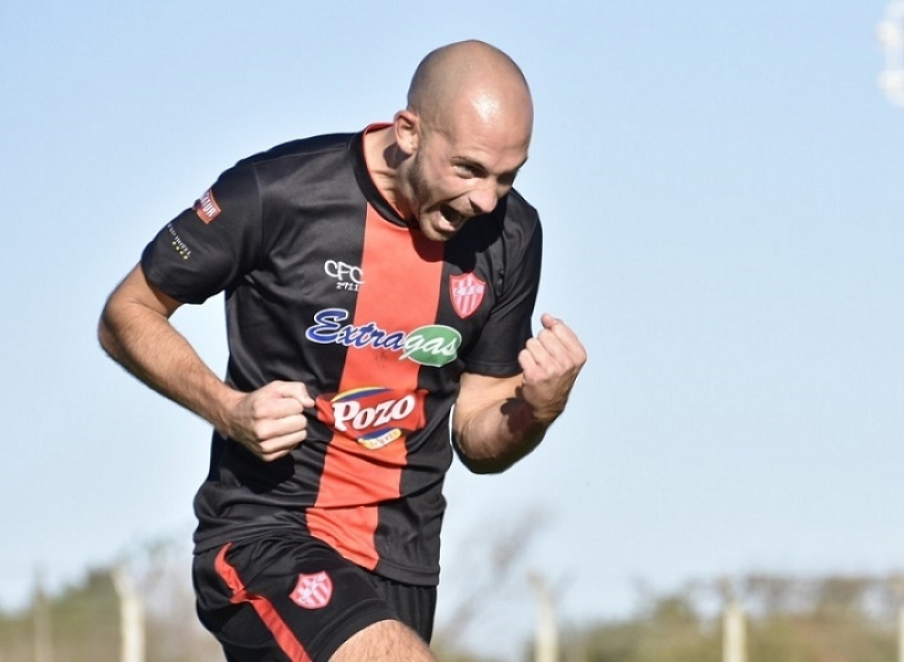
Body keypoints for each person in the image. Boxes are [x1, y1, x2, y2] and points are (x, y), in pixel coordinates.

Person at [98, 39, 586, 662]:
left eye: (507, 176)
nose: (486, 200)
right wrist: (228, 409)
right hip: (268, 534)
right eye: (467, 169)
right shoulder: (274, 192)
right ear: (408, 130)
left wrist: (536, 410)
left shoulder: (512, 233)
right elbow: (127, 313)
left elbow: (477, 432)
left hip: (403, 563)